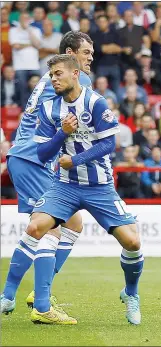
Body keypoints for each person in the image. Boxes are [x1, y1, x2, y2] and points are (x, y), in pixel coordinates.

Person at [28, 54, 143, 325]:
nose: (53, 79)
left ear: (75, 74)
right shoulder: (48, 109)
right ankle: (38, 303)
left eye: (58, 74)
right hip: (65, 186)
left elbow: (109, 145)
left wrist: (76, 159)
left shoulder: (96, 102)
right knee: (36, 227)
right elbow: (43, 154)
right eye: (52, 75)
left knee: (133, 242)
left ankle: (131, 293)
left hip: (100, 187)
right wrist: (61, 134)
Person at [1, 32, 93, 315]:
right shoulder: (75, 78)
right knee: (49, 226)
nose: (90, 58)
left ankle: (10, 296)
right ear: (70, 53)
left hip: (26, 156)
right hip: (34, 158)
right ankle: (41, 304)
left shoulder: (50, 78)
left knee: (72, 222)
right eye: (86, 52)